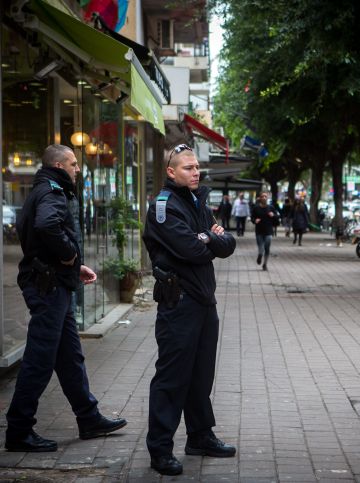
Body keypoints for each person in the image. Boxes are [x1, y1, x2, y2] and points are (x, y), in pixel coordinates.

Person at [5, 144, 126, 452]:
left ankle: (88, 418)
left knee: (69, 357)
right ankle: (19, 431)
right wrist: (69, 255)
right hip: (49, 287)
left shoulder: (42, 189)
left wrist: (73, 267)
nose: (77, 169)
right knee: (39, 359)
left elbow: (30, 231)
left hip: (55, 282)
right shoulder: (52, 191)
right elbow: (46, 225)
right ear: (59, 165)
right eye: (73, 163)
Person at [143, 144, 237, 476]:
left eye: (197, 167)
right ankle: (160, 449)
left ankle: (200, 436)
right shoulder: (164, 207)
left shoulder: (196, 201)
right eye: (188, 168)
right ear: (171, 172)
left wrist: (209, 238)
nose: (195, 172)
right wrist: (209, 239)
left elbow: (227, 245)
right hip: (178, 302)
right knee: (172, 378)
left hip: (203, 301)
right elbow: (192, 249)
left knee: (200, 377)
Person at [251, 192, 277, 270]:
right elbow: (252, 217)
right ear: (260, 198)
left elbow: (277, 218)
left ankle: (265, 264)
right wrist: (255, 220)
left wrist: (273, 215)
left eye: (266, 196)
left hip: (269, 230)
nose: (264, 198)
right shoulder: (256, 208)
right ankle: (260, 255)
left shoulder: (271, 208)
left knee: (267, 247)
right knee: (261, 247)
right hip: (259, 230)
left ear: (267, 198)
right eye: (263, 196)